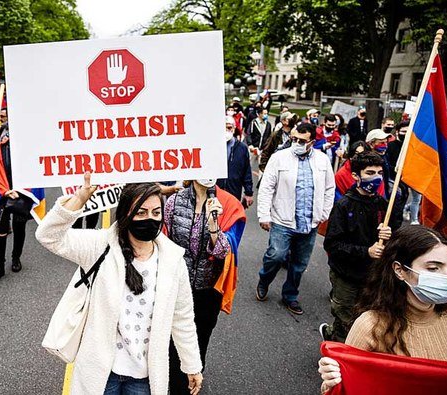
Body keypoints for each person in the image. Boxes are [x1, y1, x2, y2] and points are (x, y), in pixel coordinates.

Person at [36, 174, 204, 395]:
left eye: (156, 212)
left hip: (145, 378)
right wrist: (80, 198)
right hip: (101, 373)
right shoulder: (99, 247)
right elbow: (48, 236)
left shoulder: (173, 261)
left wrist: (192, 365)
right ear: (126, 214)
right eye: (141, 212)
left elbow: (182, 318)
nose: (150, 219)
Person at [318, 225, 447, 393]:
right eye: (433, 268)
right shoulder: (371, 325)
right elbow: (347, 387)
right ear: (400, 270)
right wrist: (331, 382)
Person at [164, 178, 244, 394]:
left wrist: (213, 227)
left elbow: (223, 253)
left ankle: (191, 380)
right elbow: (163, 243)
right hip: (175, 288)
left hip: (208, 291)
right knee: (172, 342)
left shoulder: (229, 204)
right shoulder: (173, 202)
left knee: (199, 340)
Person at [256, 123, 335, 314]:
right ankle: (264, 280)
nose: (297, 143)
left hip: (309, 222)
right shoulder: (279, 158)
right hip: (282, 220)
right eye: (294, 139)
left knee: (299, 264)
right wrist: (264, 215)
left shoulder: (323, 161)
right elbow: (266, 187)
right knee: (276, 256)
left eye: (302, 141)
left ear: (312, 142)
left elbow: (329, 188)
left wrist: (323, 213)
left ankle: (290, 295)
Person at [321, 151, 393, 342]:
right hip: (346, 274)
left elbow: (395, 234)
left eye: (379, 172)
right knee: (345, 317)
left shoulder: (382, 204)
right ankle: (337, 349)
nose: (376, 178)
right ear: (356, 176)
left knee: (365, 318)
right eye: (369, 173)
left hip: (372, 275)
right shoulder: (344, 205)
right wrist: (366, 251)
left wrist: (389, 234)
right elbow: (332, 244)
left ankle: (334, 334)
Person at [0, 130, 35, 283]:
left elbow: (34, 171)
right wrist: (5, 191)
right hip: (3, 195)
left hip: (22, 194)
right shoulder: (0, 149)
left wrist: (21, 191)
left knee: (19, 226)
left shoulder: (28, 149)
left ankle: (16, 258)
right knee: (0, 230)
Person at [217, 116, 253, 206]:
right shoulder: (214, 147)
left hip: (234, 192)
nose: (226, 130)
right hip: (215, 193)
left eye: (229, 127)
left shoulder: (242, 148)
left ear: (234, 128)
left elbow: (247, 172)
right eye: (223, 127)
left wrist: (248, 193)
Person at [246, 107, 271, 178]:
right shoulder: (254, 123)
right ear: (259, 114)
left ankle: (260, 184)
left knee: (262, 167)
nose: (266, 115)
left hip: (262, 149)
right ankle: (247, 180)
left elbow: (268, 136)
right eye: (264, 113)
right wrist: (250, 145)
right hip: (253, 148)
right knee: (249, 165)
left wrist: (266, 147)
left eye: (267, 113)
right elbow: (249, 134)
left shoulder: (268, 124)